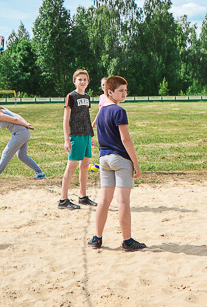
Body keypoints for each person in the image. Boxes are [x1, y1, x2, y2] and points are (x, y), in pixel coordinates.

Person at [86, 76, 144, 251]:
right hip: (119, 159)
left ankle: (97, 238)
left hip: (104, 159)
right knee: (123, 202)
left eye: (125, 90)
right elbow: (125, 139)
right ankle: (127, 241)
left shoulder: (102, 111)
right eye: (120, 90)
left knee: (104, 201)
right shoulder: (119, 111)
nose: (124, 93)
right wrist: (136, 162)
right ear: (109, 92)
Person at [59, 69, 97, 210]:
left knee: (85, 166)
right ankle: (63, 199)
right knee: (71, 167)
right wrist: (67, 139)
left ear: (88, 82)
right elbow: (66, 119)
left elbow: (86, 118)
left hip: (86, 135)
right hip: (75, 135)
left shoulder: (87, 97)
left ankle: (83, 196)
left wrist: (90, 136)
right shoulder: (71, 96)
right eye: (79, 79)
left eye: (85, 79)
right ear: (74, 81)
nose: (82, 82)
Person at [0, 101, 45, 181]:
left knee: (6, 153)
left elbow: (15, 119)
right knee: (21, 155)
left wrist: (26, 124)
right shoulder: (0, 110)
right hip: (24, 133)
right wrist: (26, 124)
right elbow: (17, 115)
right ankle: (40, 173)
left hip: (20, 134)